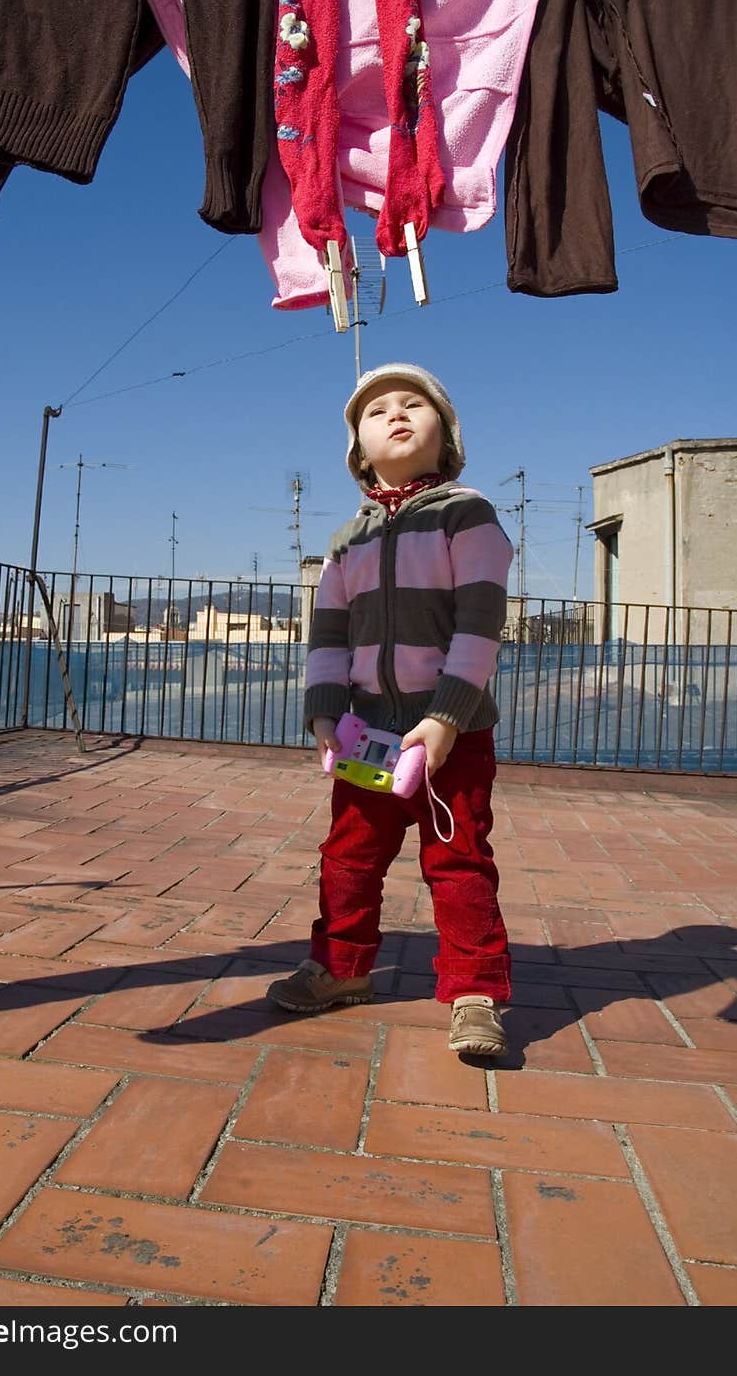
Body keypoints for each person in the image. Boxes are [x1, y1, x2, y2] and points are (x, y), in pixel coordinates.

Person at [266, 363, 514, 1056]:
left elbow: (479, 623)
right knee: (347, 855)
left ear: (448, 434)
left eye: (414, 405)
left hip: (452, 736)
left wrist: (446, 716)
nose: (396, 415)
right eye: (376, 413)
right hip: (367, 733)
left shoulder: (470, 515)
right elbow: (329, 633)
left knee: (458, 860)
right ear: (358, 450)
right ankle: (341, 966)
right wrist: (322, 708)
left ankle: (476, 991)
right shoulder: (348, 539)